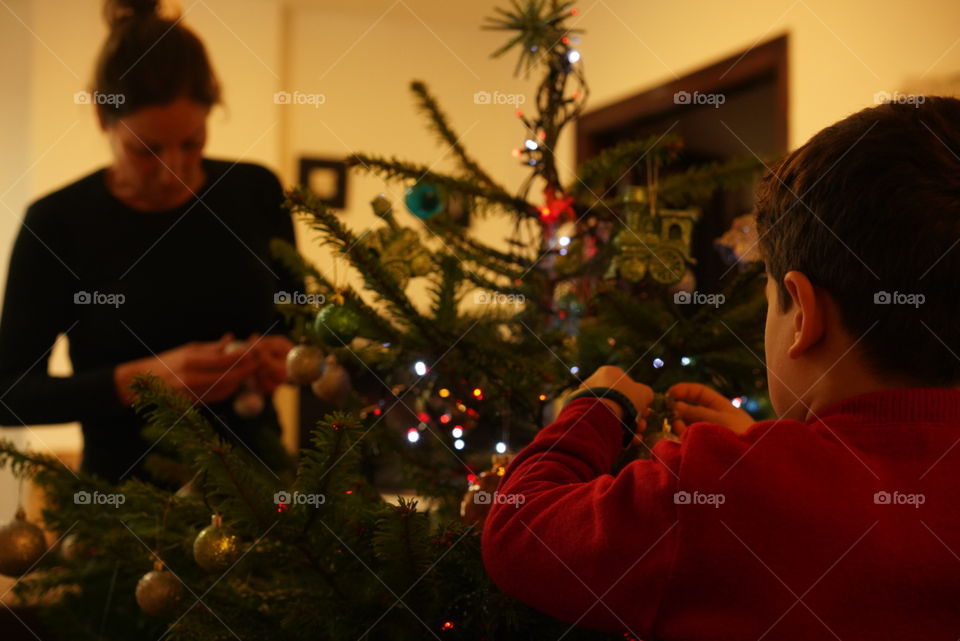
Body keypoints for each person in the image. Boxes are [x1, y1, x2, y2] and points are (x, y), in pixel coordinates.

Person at [482, 97, 960, 639]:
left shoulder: (723, 486)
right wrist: (766, 445)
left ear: (802, 314)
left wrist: (598, 405)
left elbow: (520, 531)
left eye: (767, 301)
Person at [0, 0, 299, 484]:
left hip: (259, 491)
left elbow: (305, 321)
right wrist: (140, 382)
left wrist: (285, 358)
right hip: (121, 512)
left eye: (192, 143)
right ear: (104, 120)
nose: (173, 171)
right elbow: (8, 393)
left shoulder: (255, 192)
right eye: (146, 151)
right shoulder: (57, 222)